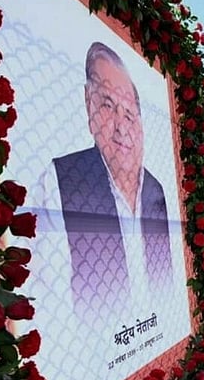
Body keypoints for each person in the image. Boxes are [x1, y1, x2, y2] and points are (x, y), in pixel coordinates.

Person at [42, 41, 173, 323]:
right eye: (107, 106)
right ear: (88, 107)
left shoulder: (155, 191)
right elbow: (53, 306)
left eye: (129, 113)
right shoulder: (60, 181)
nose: (121, 126)